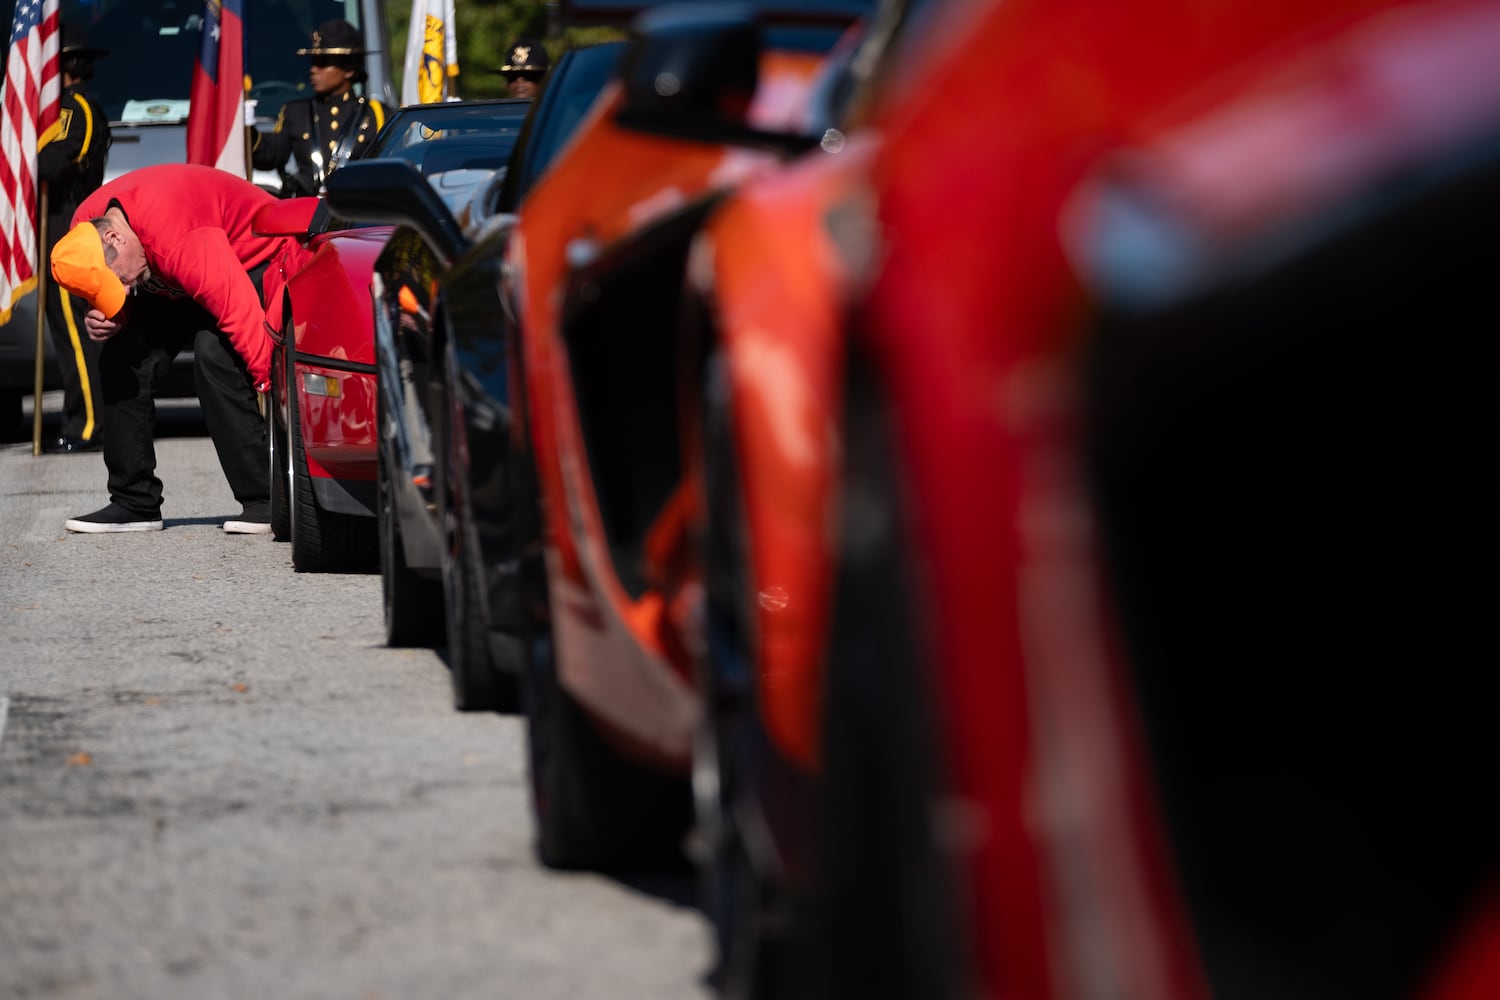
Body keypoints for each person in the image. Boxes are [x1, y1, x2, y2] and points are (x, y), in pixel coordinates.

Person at [48, 163, 294, 535]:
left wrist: (276, 391)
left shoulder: (179, 235)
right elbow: (108, 286)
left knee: (215, 355)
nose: (123, 288)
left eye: (117, 282)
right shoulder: (85, 230)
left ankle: (267, 499)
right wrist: (109, 313)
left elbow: (239, 315)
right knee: (122, 353)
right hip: (172, 275)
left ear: (115, 238)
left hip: (255, 259)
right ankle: (134, 502)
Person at [37, 25, 113, 454]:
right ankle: (80, 418)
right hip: (66, 228)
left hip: (70, 231)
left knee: (75, 334)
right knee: (69, 335)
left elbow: (52, 163)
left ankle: (87, 425)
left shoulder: (75, 106)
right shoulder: (79, 105)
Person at [251, 19, 386, 197]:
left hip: (357, 212)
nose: (313, 69)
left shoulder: (377, 114)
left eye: (323, 62)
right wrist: (247, 129)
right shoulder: (296, 112)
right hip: (307, 214)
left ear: (349, 69)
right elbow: (269, 157)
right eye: (313, 61)